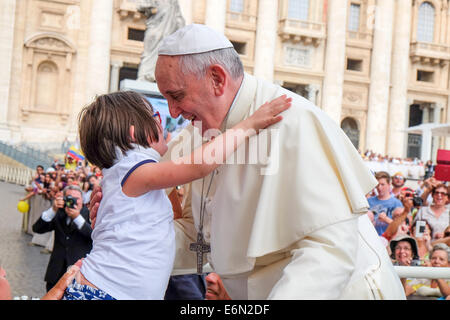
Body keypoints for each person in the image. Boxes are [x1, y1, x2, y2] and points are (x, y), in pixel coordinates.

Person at [90, 24, 405, 299]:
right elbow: (195, 234)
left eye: (177, 96)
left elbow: (329, 253)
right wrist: (127, 227)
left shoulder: (292, 120)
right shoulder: (194, 137)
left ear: (217, 78)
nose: (173, 113)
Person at [74, 90, 291, 300]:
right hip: (104, 291)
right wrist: (249, 125)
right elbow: (199, 165)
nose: (164, 123)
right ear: (134, 134)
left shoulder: (124, 175)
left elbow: (167, 216)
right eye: (156, 117)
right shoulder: (133, 170)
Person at [32, 185, 92, 292]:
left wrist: (77, 218)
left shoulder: (89, 215)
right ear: (64, 199)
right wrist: (53, 210)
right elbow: (37, 228)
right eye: (69, 198)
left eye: (77, 198)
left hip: (78, 276)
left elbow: (93, 236)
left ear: (82, 200)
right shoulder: (59, 213)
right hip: (55, 274)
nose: (73, 201)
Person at [367, 171, 404, 236]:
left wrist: (386, 219)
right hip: (370, 238)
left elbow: (401, 227)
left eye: (382, 184)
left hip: (388, 239)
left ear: (389, 184)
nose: (379, 187)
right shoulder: (369, 201)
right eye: (377, 185)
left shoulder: (396, 203)